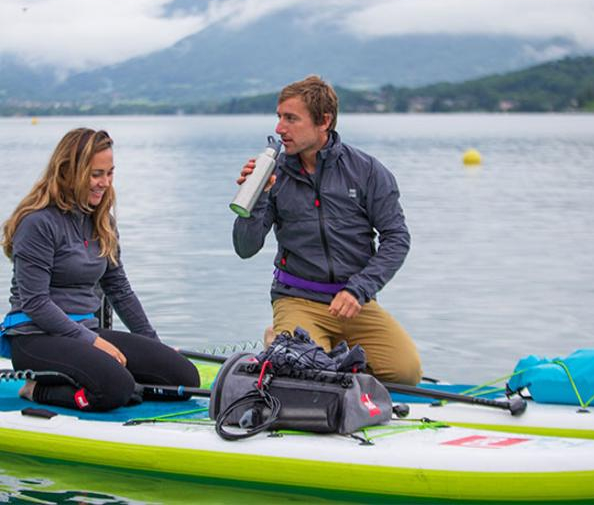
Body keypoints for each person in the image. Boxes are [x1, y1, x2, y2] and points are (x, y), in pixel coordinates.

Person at [232, 76, 422, 384]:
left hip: (353, 302)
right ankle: (290, 343)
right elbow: (245, 248)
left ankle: (323, 351)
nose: (280, 128)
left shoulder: (367, 171)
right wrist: (257, 197)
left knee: (406, 373)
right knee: (306, 376)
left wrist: (359, 288)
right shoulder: (273, 173)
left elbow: (397, 238)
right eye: (279, 117)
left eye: (291, 119)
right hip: (297, 299)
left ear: (324, 121)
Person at [0, 128, 199, 411]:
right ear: (69, 172)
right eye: (96, 174)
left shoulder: (101, 222)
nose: (104, 183)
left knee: (183, 380)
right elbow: (35, 302)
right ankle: (37, 390)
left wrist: (153, 343)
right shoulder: (37, 223)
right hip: (35, 337)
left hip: (84, 331)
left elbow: (119, 289)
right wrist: (92, 341)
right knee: (115, 389)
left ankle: (117, 379)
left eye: (110, 173)